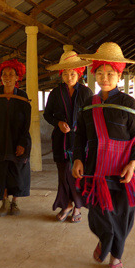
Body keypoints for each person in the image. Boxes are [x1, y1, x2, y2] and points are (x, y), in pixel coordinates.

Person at [72, 42, 135, 268]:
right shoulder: (88, 104)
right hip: (96, 169)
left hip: (123, 171)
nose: (105, 78)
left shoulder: (128, 103)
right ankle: (105, 239)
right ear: (94, 74)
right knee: (97, 213)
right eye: (100, 73)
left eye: (110, 73)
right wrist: (78, 159)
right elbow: (80, 135)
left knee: (122, 215)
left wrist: (133, 164)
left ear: (119, 75)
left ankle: (116, 255)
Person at [43, 47, 93, 223]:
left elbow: (91, 116)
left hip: (80, 142)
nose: (69, 77)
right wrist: (58, 123)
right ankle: (67, 205)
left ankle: (77, 206)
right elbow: (47, 114)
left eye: (72, 73)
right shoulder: (56, 93)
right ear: (61, 75)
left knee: (77, 175)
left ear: (79, 73)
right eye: (65, 74)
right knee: (63, 175)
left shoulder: (86, 93)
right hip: (61, 141)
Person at [0, 59, 31, 217]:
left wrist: (22, 143)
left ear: (17, 77)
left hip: (17, 140)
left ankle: (15, 203)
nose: (7, 77)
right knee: (1, 171)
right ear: (1, 77)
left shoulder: (23, 97)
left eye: (11, 74)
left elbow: (27, 124)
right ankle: (4, 202)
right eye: (4, 74)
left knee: (17, 171)